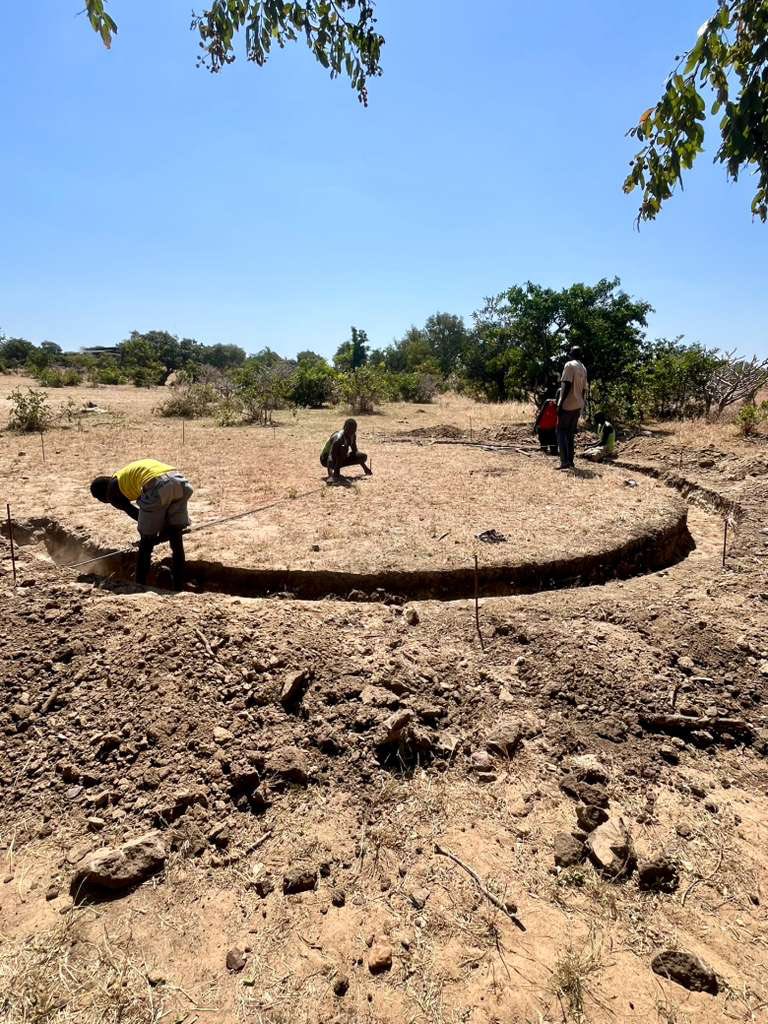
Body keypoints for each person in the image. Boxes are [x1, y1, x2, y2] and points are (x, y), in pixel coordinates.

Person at [90, 459, 193, 589]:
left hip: (157, 485)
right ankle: (178, 584)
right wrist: (165, 530)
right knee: (176, 538)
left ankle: (139, 585)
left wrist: (151, 536)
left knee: (146, 542)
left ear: (101, 496)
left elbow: (137, 515)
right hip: (180, 481)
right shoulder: (124, 477)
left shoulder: (111, 492)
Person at [557, 346, 588, 470]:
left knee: (560, 432)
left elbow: (566, 385)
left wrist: (560, 403)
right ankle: (571, 461)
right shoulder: (583, 368)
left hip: (568, 404)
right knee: (570, 434)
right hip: (577, 404)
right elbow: (584, 389)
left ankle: (564, 462)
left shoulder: (569, 365)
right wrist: (581, 403)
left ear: (571, 354)